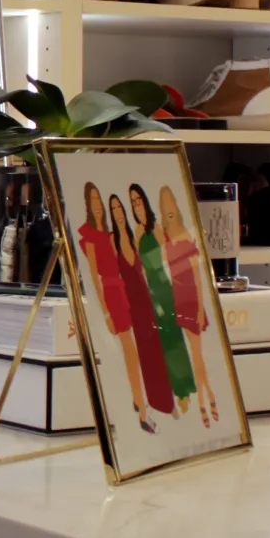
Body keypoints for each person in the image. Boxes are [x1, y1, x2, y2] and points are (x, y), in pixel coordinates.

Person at [77, 183, 153, 431]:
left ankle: (137, 398)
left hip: (125, 291)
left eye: (99, 200)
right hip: (111, 295)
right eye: (94, 201)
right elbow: (95, 278)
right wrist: (107, 311)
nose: (98, 206)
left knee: (139, 349)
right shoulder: (89, 236)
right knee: (130, 351)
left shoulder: (111, 235)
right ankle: (142, 411)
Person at [130, 184, 203, 426]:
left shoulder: (156, 229)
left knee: (173, 339)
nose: (136, 205)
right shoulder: (138, 232)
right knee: (158, 342)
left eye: (139, 199)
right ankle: (169, 394)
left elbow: (167, 257)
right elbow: (137, 265)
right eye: (133, 201)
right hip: (147, 289)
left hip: (162, 287)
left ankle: (183, 390)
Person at [109, 195, 173, 426]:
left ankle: (161, 402)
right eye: (113, 208)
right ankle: (141, 408)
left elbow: (147, 267)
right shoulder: (111, 240)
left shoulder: (134, 236)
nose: (117, 212)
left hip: (143, 298)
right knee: (132, 353)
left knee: (152, 348)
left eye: (119, 207)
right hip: (125, 301)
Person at [158, 185, 219, 424]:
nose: (168, 214)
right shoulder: (166, 236)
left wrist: (200, 309)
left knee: (197, 356)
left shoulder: (186, 236)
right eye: (165, 211)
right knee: (190, 356)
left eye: (171, 210)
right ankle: (204, 401)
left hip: (190, 301)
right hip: (177, 301)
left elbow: (197, 277)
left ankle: (207, 401)